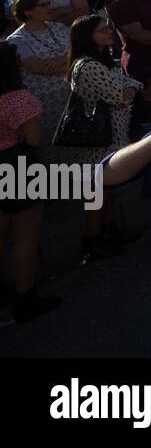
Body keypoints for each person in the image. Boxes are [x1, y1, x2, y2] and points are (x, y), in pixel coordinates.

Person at [67, 14, 143, 253]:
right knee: (97, 192)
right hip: (99, 137)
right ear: (87, 37)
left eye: (107, 28)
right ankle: (93, 239)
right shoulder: (89, 66)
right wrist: (129, 88)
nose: (108, 33)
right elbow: (121, 95)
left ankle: (108, 231)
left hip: (113, 134)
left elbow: (134, 83)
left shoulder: (103, 61)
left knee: (106, 188)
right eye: (101, 30)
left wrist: (129, 87)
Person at [0, 43, 60, 324]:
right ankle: (25, 298)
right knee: (25, 236)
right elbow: (34, 138)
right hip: (15, 165)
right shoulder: (18, 99)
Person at [5, 0, 70, 145]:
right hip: (43, 102)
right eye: (43, 5)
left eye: (49, 3)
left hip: (70, 96)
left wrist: (62, 59)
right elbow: (39, 68)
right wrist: (74, 63)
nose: (49, 8)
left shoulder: (59, 28)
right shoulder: (16, 40)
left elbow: (82, 51)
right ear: (27, 11)